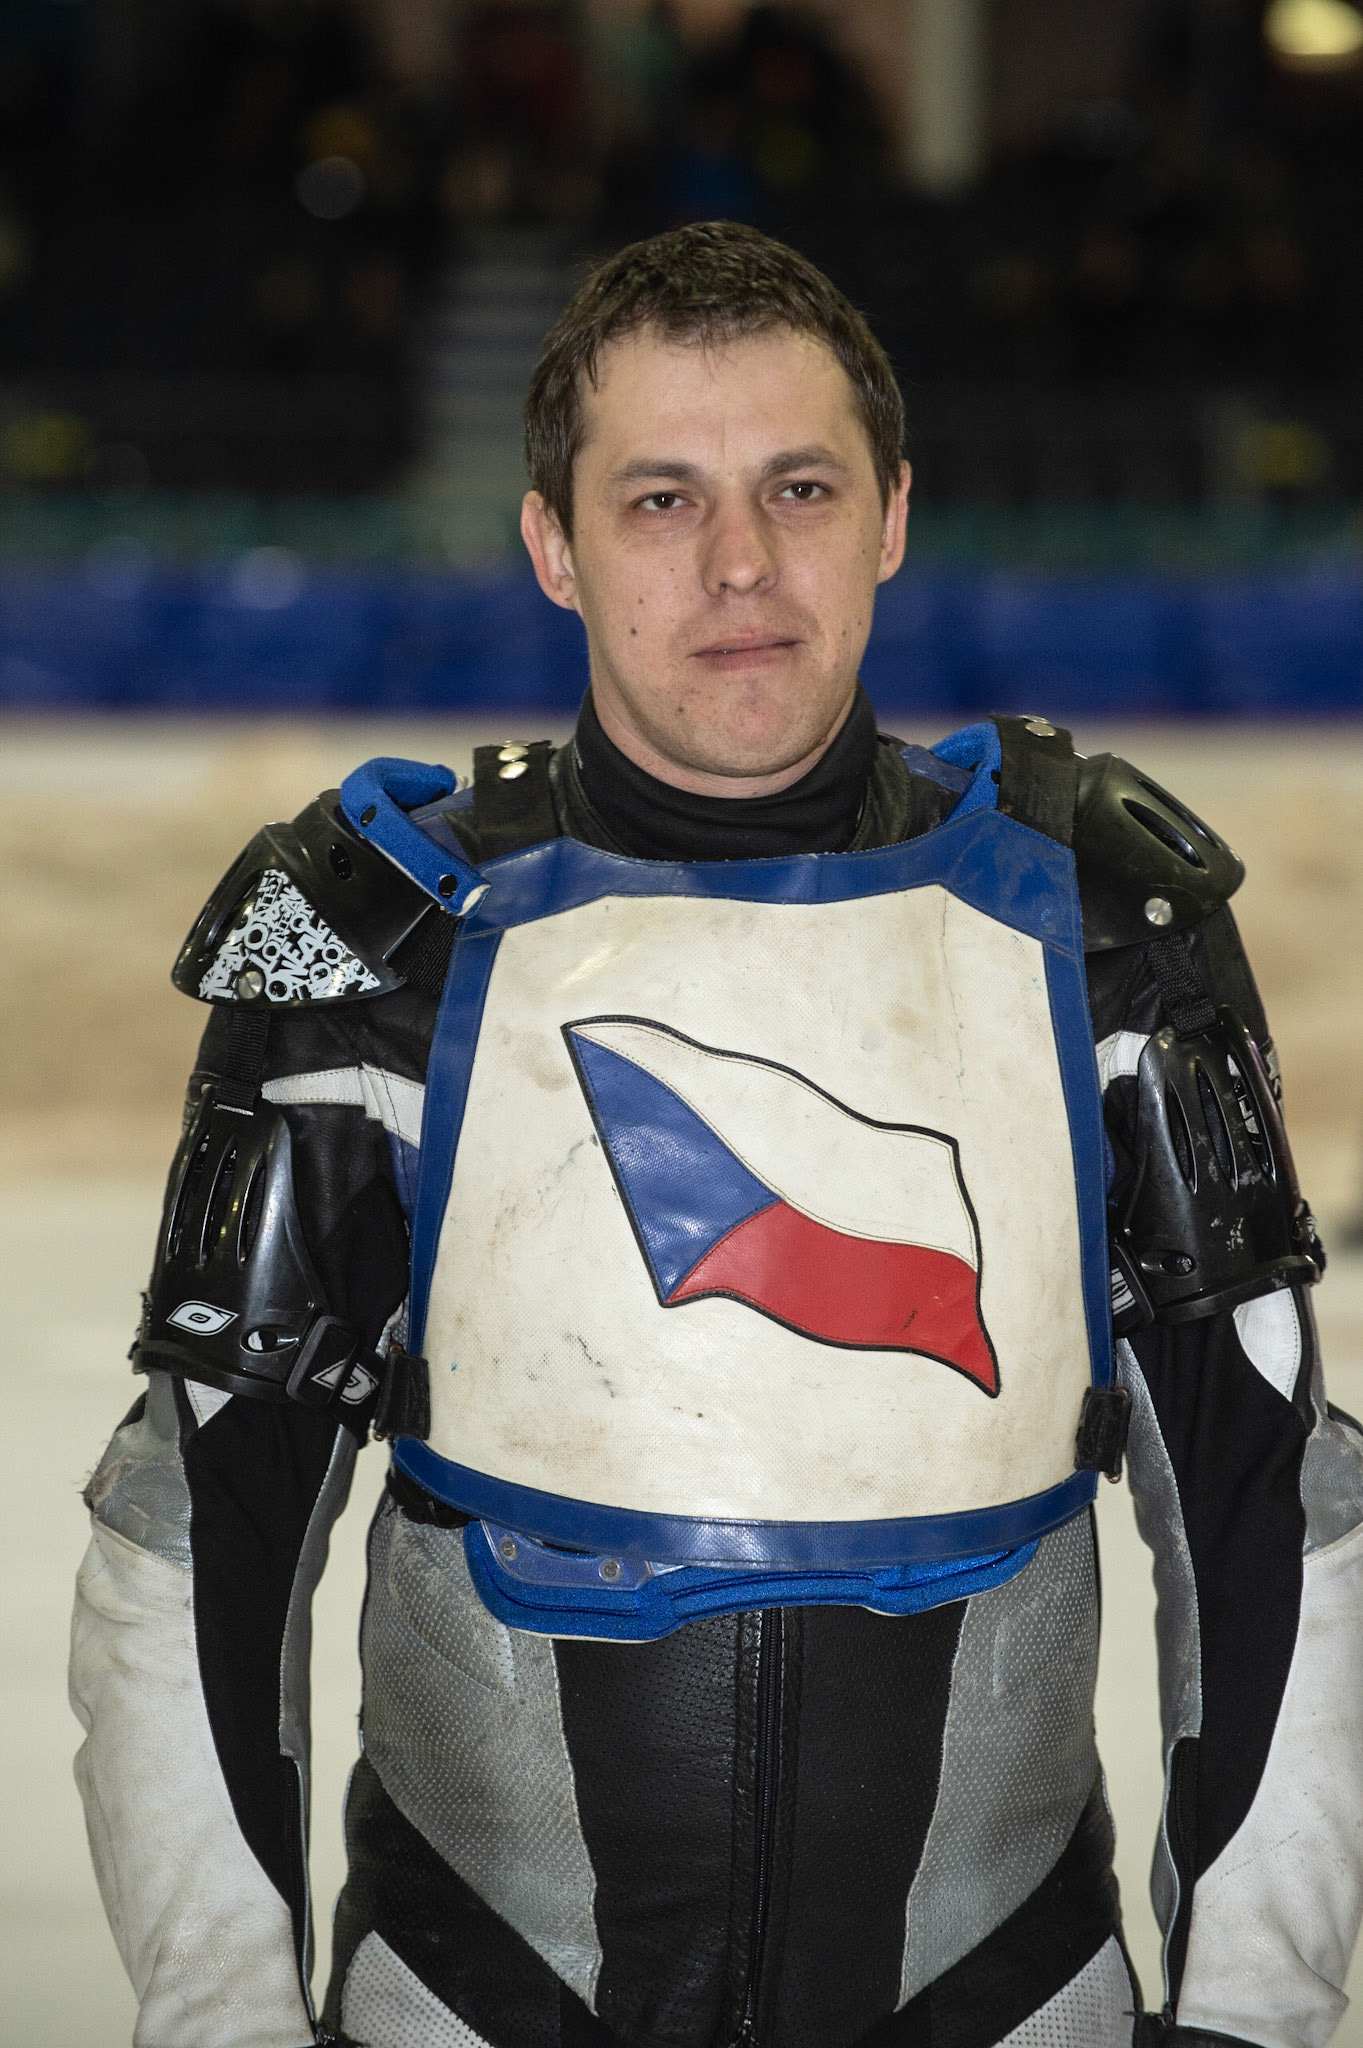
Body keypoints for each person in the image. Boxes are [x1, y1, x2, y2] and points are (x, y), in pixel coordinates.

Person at [70, 221, 1363, 2048]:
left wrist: (1253, 2014)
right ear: (552, 543)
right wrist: (220, 2020)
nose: (742, 564)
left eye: (800, 487)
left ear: (893, 515)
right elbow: (197, 1539)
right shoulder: (378, 950)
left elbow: (1269, 1516)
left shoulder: (1106, 930)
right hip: (475, 2001)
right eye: (662, 499)